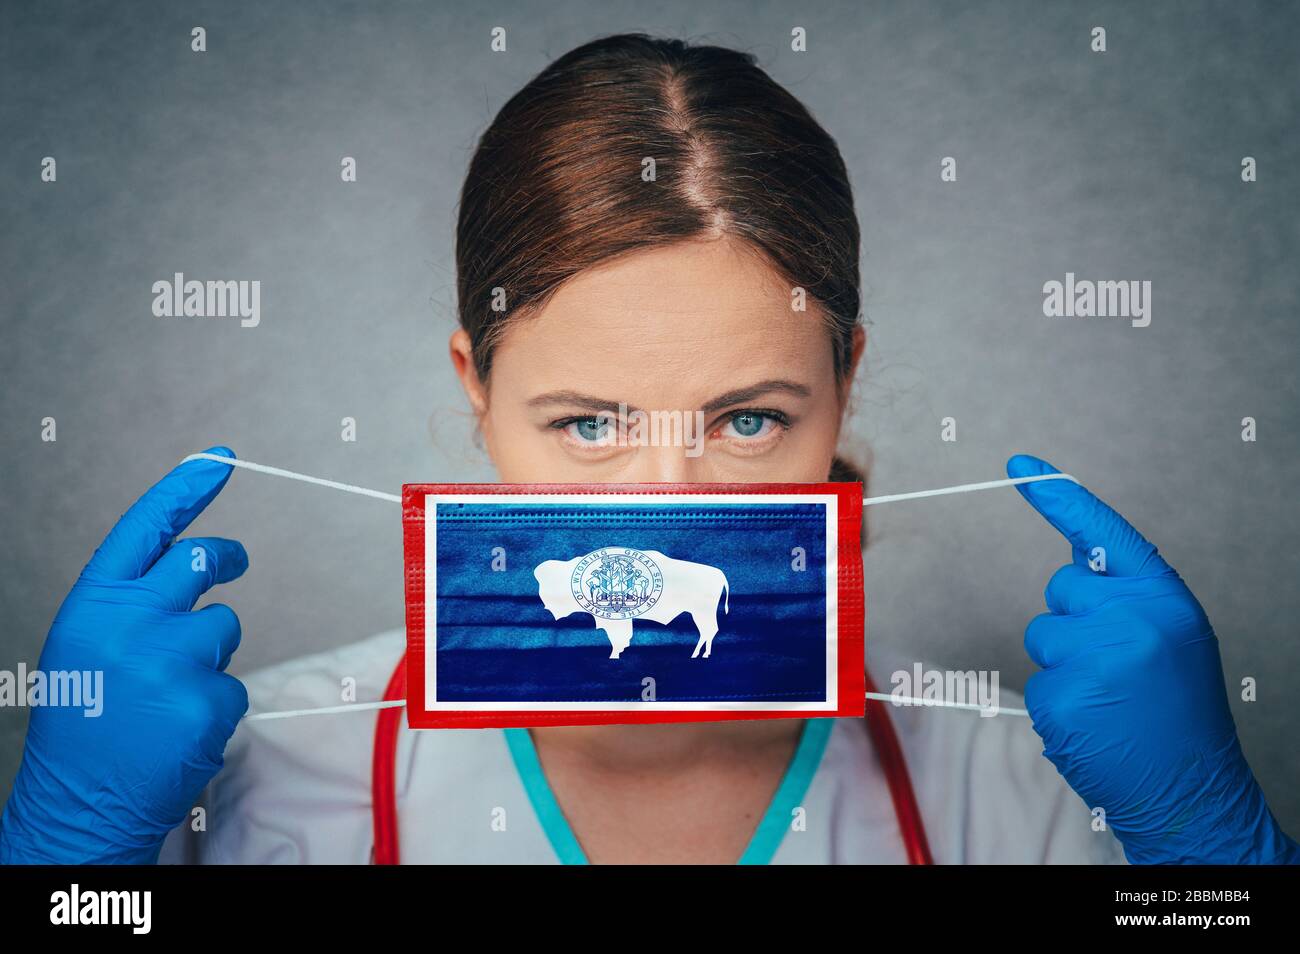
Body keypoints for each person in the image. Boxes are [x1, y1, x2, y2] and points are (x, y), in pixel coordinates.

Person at [1, 34, 1295, 866]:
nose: (662, 504)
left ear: (842, 387)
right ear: (477, 388)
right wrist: (66, 869)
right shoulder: (245, 777)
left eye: (748, 419)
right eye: (587, 423)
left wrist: (1216, 857)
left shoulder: (1034, 790)